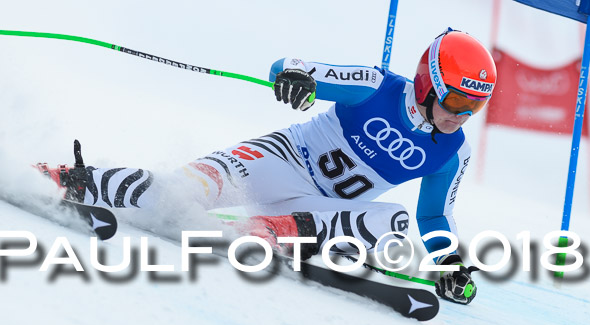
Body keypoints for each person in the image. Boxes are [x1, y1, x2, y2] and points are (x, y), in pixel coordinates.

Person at [37, 28, 497, 305]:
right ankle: (66, 180)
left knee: (392, 221)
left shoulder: (453, 152)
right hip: (277, 161)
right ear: (426, 83)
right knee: (180, 191)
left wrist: (448, 262)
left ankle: (268, 232)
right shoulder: (377, 86)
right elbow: (292, 65)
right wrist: (295, 78)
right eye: (456, 98)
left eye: (474, 106)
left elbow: (433, 217)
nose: (460, 114)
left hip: (320, 208)